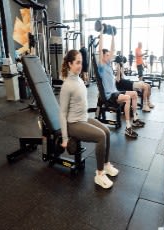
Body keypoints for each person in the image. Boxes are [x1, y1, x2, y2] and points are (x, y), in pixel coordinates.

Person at [59, 49, 119, 189]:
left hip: (84, 118)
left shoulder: (79, 79)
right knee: (101, 136)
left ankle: (106, 164)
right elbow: (62, 113)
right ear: (69, 64)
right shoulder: (67, 85)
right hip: (74, 124)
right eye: (77, 62)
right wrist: (65, 138)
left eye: (81, 62)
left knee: (107, 132)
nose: (81, 65)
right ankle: (99, 174)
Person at [98, 25, 145, 138]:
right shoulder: (101, 66)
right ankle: (128, 128)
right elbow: (100, 49)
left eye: (110, 55)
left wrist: (113, 35)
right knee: (128, 98)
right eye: (107, 55)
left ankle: (135, 119)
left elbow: (113, 49)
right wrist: (101, 32)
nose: (110, 56)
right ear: (103, 56)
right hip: (109, 96)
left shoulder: (109, 65)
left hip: (115, 92)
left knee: (134, 94)